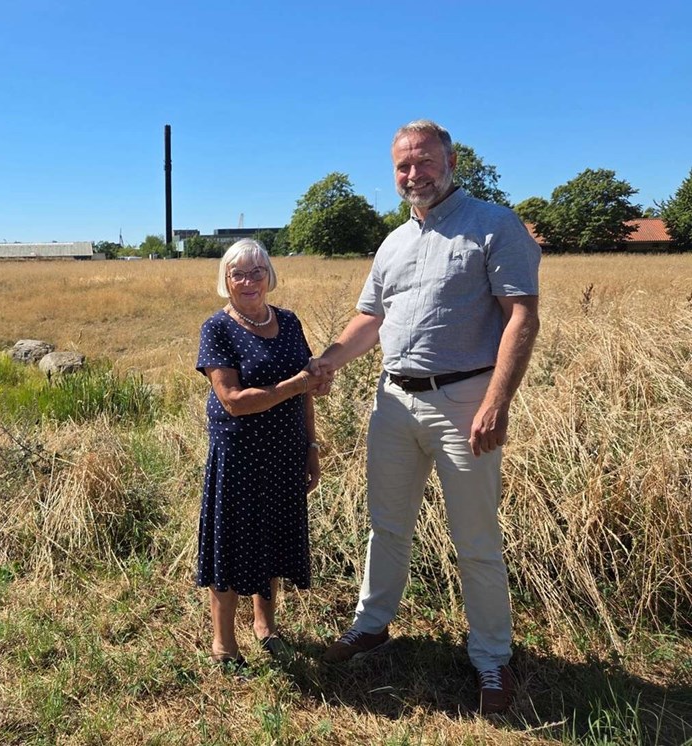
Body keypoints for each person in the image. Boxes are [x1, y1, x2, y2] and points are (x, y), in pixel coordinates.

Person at [311, 119, 540, 714]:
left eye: (423, 161)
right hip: (392, 401)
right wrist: (328, 361)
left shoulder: (493, 225)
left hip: (465, 402)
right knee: (385, 526)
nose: (413, 174)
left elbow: (521, 317)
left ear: (450, 160)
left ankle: (491, 659)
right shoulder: (392, 242)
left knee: (476, 538)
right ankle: (370, 624)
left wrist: (496, 400)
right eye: (402, 166)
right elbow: (372, 319)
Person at [195, 238, 331, 669]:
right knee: (232, 548)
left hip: (285, 450)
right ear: (226, 280)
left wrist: (310, 445)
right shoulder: (216, 328)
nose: (249, 281)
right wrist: (298, 384)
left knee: (271, 540)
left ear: (269, 275)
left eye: (257, 272)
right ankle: (223, 643)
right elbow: (233, 399)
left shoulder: (289, 322)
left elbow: (306, 393)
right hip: (238, 454)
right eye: (238, 273)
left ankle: (265, 627)